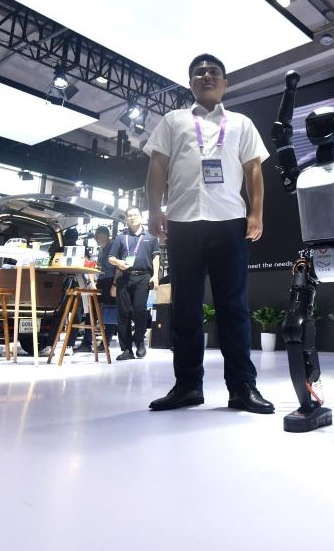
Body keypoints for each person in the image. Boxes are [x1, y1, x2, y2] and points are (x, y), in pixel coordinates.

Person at [142, 53, 274, 414]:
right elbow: (158, 165)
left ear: (225, 83)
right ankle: (187, 386)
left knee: (234, 308)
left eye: (213, 72)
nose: (206, 76)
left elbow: (254, 170)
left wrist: (256, 214)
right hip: (183, 222)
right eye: (199, 73)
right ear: (190, 84)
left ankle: (242, 388)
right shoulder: (173, 120)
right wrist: (155, 209)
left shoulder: (242, 123)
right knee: (185, 307)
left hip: (229, 221)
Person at [109, 208, 160, 360]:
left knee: (140, 310)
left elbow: (156, 257)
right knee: (123, 313)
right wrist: (118, 262)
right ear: (126, 219)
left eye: (135, 215)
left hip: (143, 277)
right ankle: (126, 350)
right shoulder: (120, 237)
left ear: (141, 217)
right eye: (129, 215)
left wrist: (155, 276)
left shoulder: (151, 236)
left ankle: (139, 342)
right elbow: (111, 258)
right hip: (124, 277)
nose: (132, 218)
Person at [76, 225, 117, 352]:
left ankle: (105, 343)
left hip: (110, 282)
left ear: (105, 235)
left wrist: (115, 284)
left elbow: (117, 267)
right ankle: (87, 342)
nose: (96, 239)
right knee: (92, 311)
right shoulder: (102, 249)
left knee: (109, 312)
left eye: (97, 237)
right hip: (101, 281)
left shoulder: (114, 247)